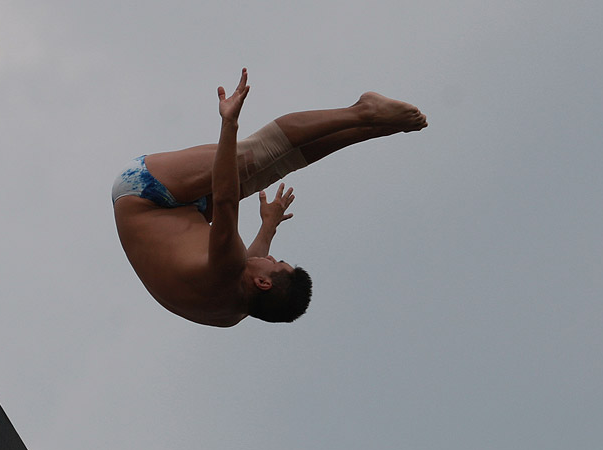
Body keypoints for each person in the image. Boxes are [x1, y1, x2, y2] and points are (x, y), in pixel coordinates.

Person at [112, 68, 427, 327]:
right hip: (184, 211)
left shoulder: (226, 270)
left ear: (264, 283)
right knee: (278, 165)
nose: (271, 257)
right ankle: (376, 128)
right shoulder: (233, 311)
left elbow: (225, 198)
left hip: (145, 189)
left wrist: (229, 124)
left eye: (277, 263)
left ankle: (363, 111)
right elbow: (247, 263)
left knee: (255, 155)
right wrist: (268, 227)